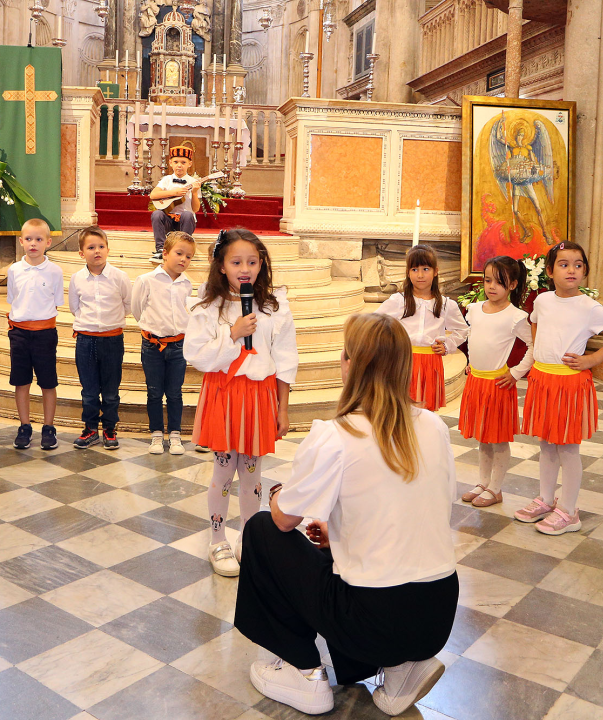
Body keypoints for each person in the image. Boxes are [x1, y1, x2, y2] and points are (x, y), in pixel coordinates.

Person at [234, 312, 458, 717]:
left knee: (261, 530)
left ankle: (304, 672)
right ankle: (401, 669)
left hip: (373, 620)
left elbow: (285, 519)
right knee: (325, 550)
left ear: (351, 365)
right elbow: (425, 510)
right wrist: (339, 533)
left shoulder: (337, 434)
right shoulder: (434, 427)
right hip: (438, 613)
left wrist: (283, 492)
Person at [185, 228, 298, 577]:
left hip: (259, 395)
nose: (244, 268)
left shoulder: (273, 305)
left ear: (261, 263)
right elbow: (197, 355)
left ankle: (249, 537)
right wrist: (232, 333)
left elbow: (285, 358)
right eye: (236, 262)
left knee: (252, 473)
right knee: (223, 471)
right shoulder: (208, 305)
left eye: (252, 261)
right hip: (224, 393)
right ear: (221, 266)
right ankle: (217, 539)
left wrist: (282, 407)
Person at [515, 241, 603, 535]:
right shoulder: (542, 300)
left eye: (578, 265)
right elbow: (535, 324)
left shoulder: (589, 307)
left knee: (567, 447)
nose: (572, 270)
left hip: (569, 382)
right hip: (543, 379)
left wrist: (592, 359)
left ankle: (569, 510)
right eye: (564, 264)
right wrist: (539, 355)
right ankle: (546, 498)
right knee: (545, 443)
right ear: (550, 271)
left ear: (585, 272)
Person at [459, 256, 534, 508]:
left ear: (512, 285)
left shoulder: (516, 316)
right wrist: (470, 361)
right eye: (487, 280)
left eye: (499, 282)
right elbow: (473, 337)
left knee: (498, 439)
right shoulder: (475, 309)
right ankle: (483, 482)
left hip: (497, 385)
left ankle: (496, 488)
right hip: (477, 382)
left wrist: (516, 372)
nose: (491, 286)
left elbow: (534, 345)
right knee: (483, 436)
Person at [376, 244, 468, 410]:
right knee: (401, 408)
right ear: (408, 272)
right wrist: (389, 344)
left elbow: (463, 330)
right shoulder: (399, 301)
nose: (420, 275)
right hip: (403, 360)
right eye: (414, 269)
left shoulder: (447, 305)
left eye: (426, 269)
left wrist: (447, 345)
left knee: (425, 410)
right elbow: (374, 322)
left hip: (430, 363)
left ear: (436, 271)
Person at [132, 230, 195, 455]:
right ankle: (156, 435)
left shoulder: (187, 284)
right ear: (165, 254)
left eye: (189, 257)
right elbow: (137, 309)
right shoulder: (146, 280)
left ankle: (175, 434)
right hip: (152, 346)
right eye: (179, 253)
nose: (183, 260)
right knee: (154, 391)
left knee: (175, 392)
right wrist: (153, 330)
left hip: (179, 346)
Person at [70, 225, 132, 451]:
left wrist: (108, 323)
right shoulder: (77, 278)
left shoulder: (119, 276)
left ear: (108, 249)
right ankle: (90, 429)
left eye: (101, 246)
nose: (97, 251)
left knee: (110, 389)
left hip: (112, 340)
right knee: (88, 389)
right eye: (91, 247)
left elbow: (127, 304)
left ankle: (109, 428)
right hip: (85, 341)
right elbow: (75, 307)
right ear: (81, 253)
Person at [7, 218, 65, 450]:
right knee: (21, 382)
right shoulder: (14, 270)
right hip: (19, 333)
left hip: (44, 334)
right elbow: (14, 299)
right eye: (29, 239)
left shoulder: (54, 271)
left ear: (48, 242)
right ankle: (25, 426)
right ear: (21, 241)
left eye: (39, 239)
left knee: (48, 382)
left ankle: (48, 428)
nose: (33, 244)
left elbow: (57, 302)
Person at [148, 145, 204, 264]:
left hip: (185, 223)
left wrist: (194, 193)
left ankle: (182, 249)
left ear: (189, 164)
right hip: (168, 221)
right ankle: (160, 250)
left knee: (188, 214)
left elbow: (195, 209)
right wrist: (174, 192)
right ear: (170, 163)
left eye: (183, 162)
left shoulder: (194, 182)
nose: (179, 165)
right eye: (176, 162)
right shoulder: (166, 180)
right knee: (157, 214)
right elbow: (153, 195)